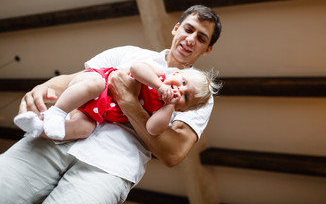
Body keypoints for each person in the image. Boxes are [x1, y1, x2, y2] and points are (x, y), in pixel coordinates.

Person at [0, 4, 222, 203]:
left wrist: (128, 100)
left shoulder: (198, 96)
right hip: (57, 136)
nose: (191, 39)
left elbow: (173, 153)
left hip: (108, 168)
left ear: (208, 49)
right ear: (177, 28)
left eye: (202, 38)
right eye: (189, 29)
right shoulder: (130, 54)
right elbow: (73, 80)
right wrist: (40, 89)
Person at [14, 62, 220, 139]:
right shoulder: (160, 75)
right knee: (95, 84)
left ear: (182, 110)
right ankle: (56, 112)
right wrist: (160, 86)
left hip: (98, 112)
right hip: (97, 84)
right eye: (182, 81)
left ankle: (36, 127)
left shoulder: (166, 110)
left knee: (84, 130)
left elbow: (152, 129)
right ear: (175, 72)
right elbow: (136, 69)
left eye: (185, 96)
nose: (179, 89)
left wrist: (170, 104)